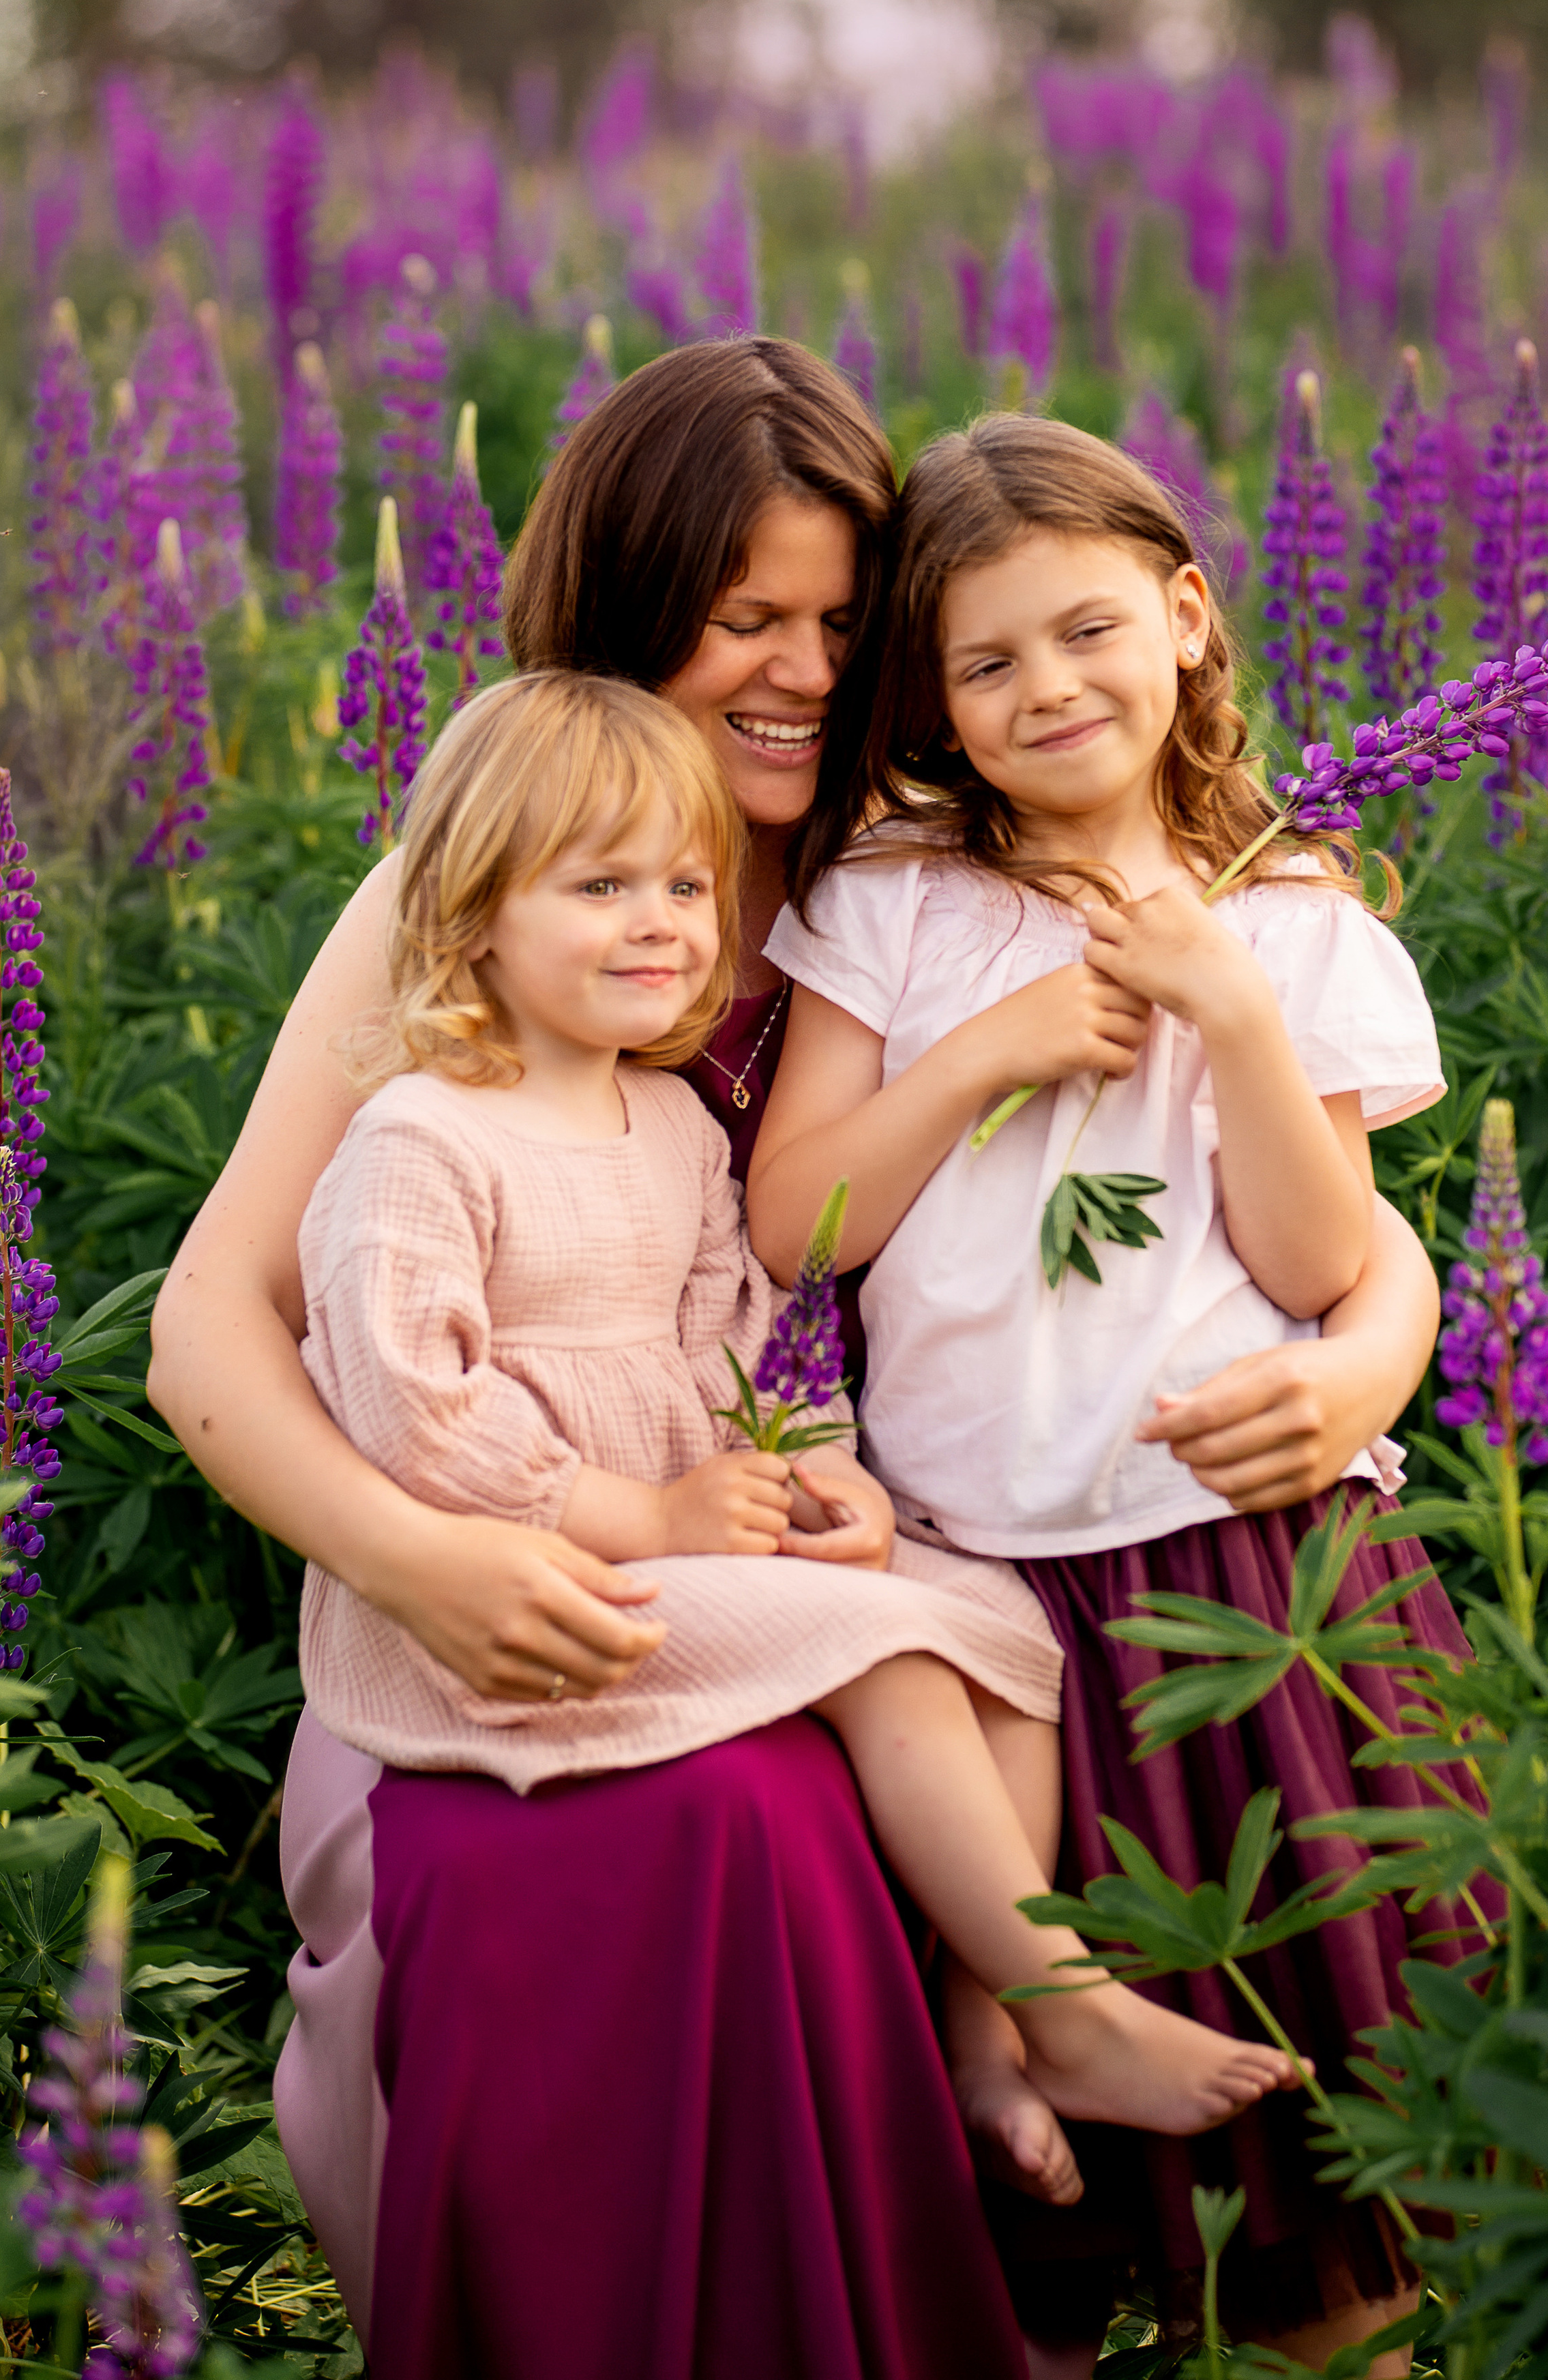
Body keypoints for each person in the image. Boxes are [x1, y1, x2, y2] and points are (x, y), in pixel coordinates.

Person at [147, 340, 1442, 2380]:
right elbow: (208, 1329)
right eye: (748, 619)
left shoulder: (932, 874)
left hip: (845, 1536)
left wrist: (1379, 1349)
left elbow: (1287, 1208)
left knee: (886, 1762)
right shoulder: (493, 895)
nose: (805, 672)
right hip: (508, 1572)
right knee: (719, 1834)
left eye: (850, 624)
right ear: (632, 611)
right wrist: (423, 1559)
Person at [303, 662, 1311, 2151]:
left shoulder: (663, 1120)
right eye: (598, 887)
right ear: (470, 921)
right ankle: (1068, 2010)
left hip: (685, 1533)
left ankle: (983, 2023)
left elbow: (745, 1338)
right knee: (900, 1659)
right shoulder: (419, 1135)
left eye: (685, 887)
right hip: (520, 1586)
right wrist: (637, 1512)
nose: (657, 923)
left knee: (994, 1634)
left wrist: (817, 1469)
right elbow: (410, 1407)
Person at [749, 413, 1487, 2380]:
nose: (1046, 687)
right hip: (996, 1616)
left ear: (1183, 613)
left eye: (1085, 632)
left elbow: (1328, 1264)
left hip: (1255, 1583)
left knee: (1327, 2183)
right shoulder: (897, 902)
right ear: (934, 699)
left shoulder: (1298, 919)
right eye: (985, 664)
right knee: (1031, 2216)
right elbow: (800, 1215)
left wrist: (1234, 1007)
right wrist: (982, 1050)